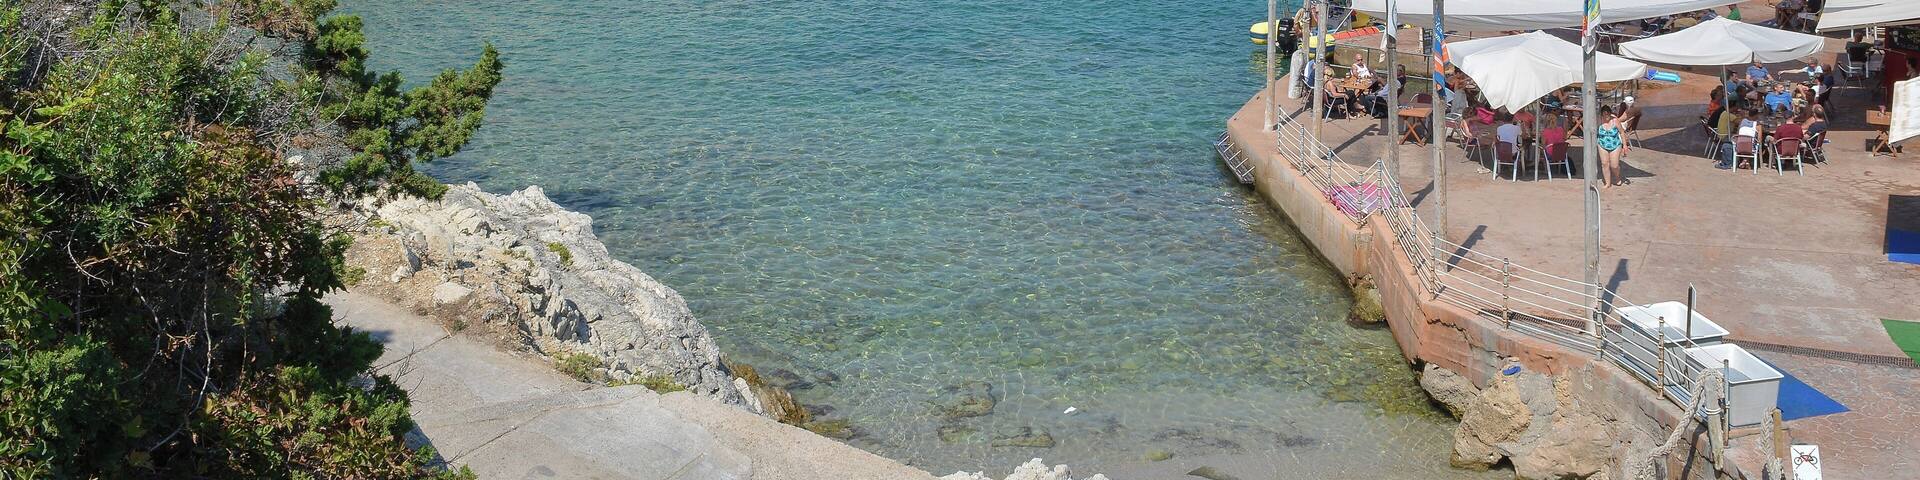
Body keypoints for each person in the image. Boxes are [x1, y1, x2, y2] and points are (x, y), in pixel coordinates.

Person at [1595, 105, 1627, 187]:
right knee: (1604, 164)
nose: (1606, 116)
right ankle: (1607, 183)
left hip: (1615, 144)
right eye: (1604, 114)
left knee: (1614, 165)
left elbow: (1622, 132)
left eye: (1607, 114)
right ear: (1601, 115)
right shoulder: (1599, 121)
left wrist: (1625, 145)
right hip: (1602, 143)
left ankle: (1617, 177)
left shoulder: (1615, 120)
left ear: (1610, 113)